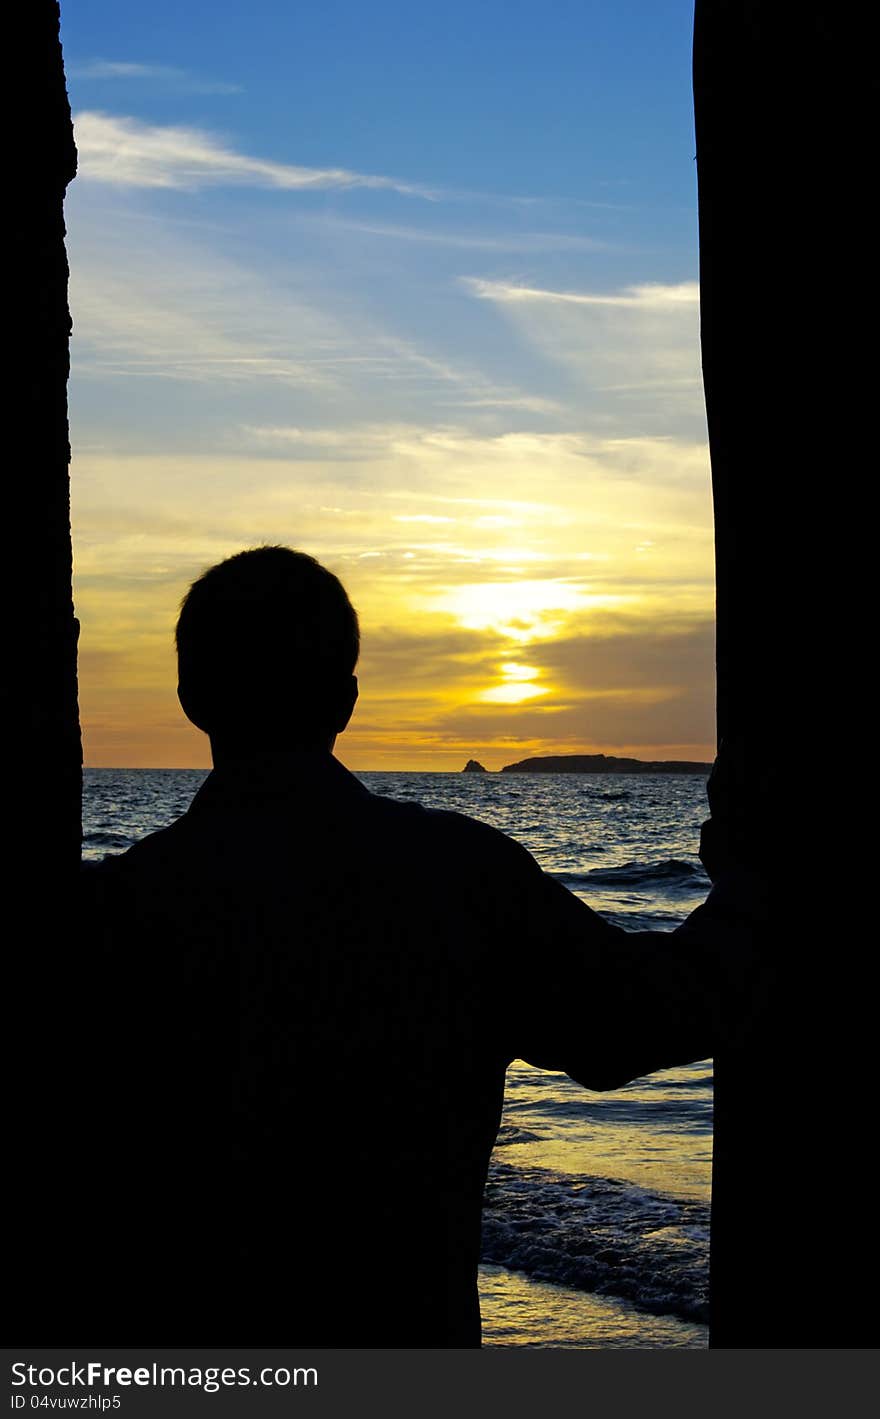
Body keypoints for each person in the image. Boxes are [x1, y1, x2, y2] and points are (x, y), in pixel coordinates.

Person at [78, 545, 765, 1346]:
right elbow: (644, 1019)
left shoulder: (113, 911)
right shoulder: (461, 877)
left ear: (193, 699)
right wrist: (751, 889)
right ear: (347, 697)